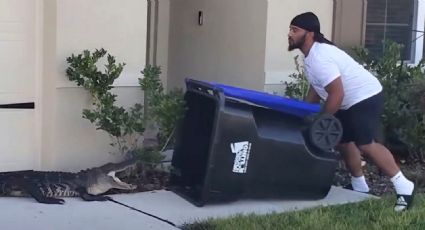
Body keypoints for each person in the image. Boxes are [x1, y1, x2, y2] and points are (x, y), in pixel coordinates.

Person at [287, 12, 415, 212]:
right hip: (348, 100)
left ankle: (404, 186)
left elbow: (336, 94)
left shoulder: (320, 57)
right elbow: (316, 88)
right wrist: (304, 112)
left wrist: (322, 121)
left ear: (309, 34)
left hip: (365, 96)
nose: (290, 34)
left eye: (295, 30)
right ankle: (359, 185)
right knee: (342, 140)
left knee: (366, 143)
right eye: (290, 29)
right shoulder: (311, 57)